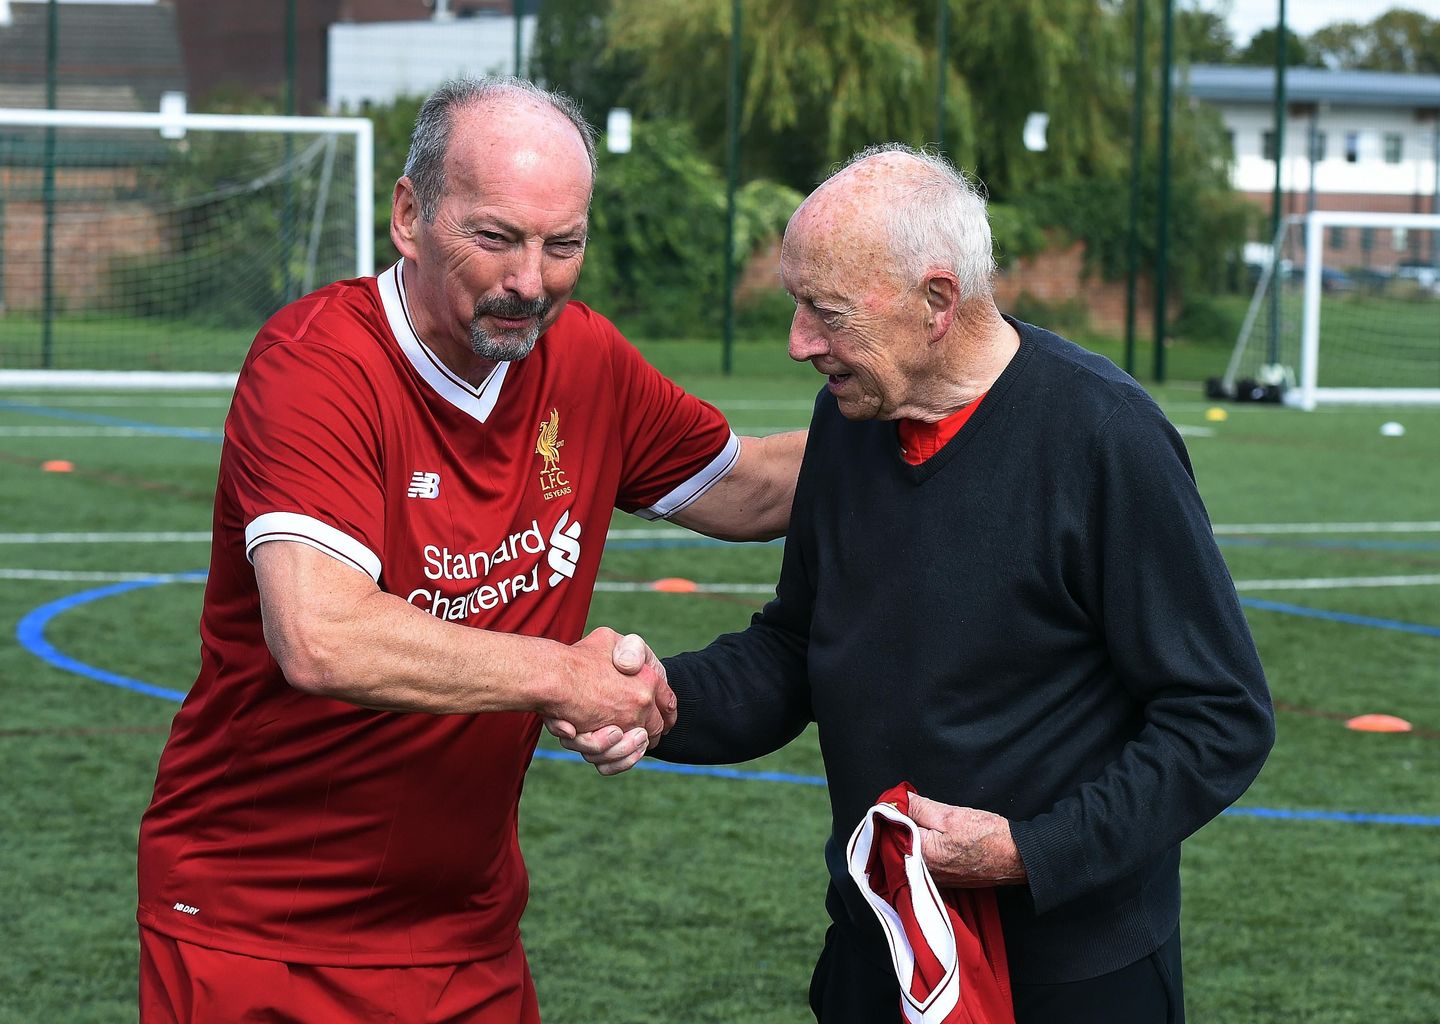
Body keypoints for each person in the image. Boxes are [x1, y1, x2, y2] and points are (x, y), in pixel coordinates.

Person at [135, 76, 804, 1023]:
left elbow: (752, 487)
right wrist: (562, 676)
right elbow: (320, 634)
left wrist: (959, 403)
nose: (531, 280)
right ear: (410, 215)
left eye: (561, 245)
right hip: (257, 927)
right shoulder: (316, 364)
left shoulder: (587, 361)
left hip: (463, 931)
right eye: (495, 238)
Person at [561, 145, 1275, 1023]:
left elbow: (1222, 717)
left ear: (938, 302)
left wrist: (1030, 851)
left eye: (826, 312)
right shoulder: (851, 417)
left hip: (1069, 975)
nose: (799, 343)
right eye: (797, 305)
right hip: (880, 945)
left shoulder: (1105, 437)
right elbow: (799, 646)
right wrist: (665, 698)